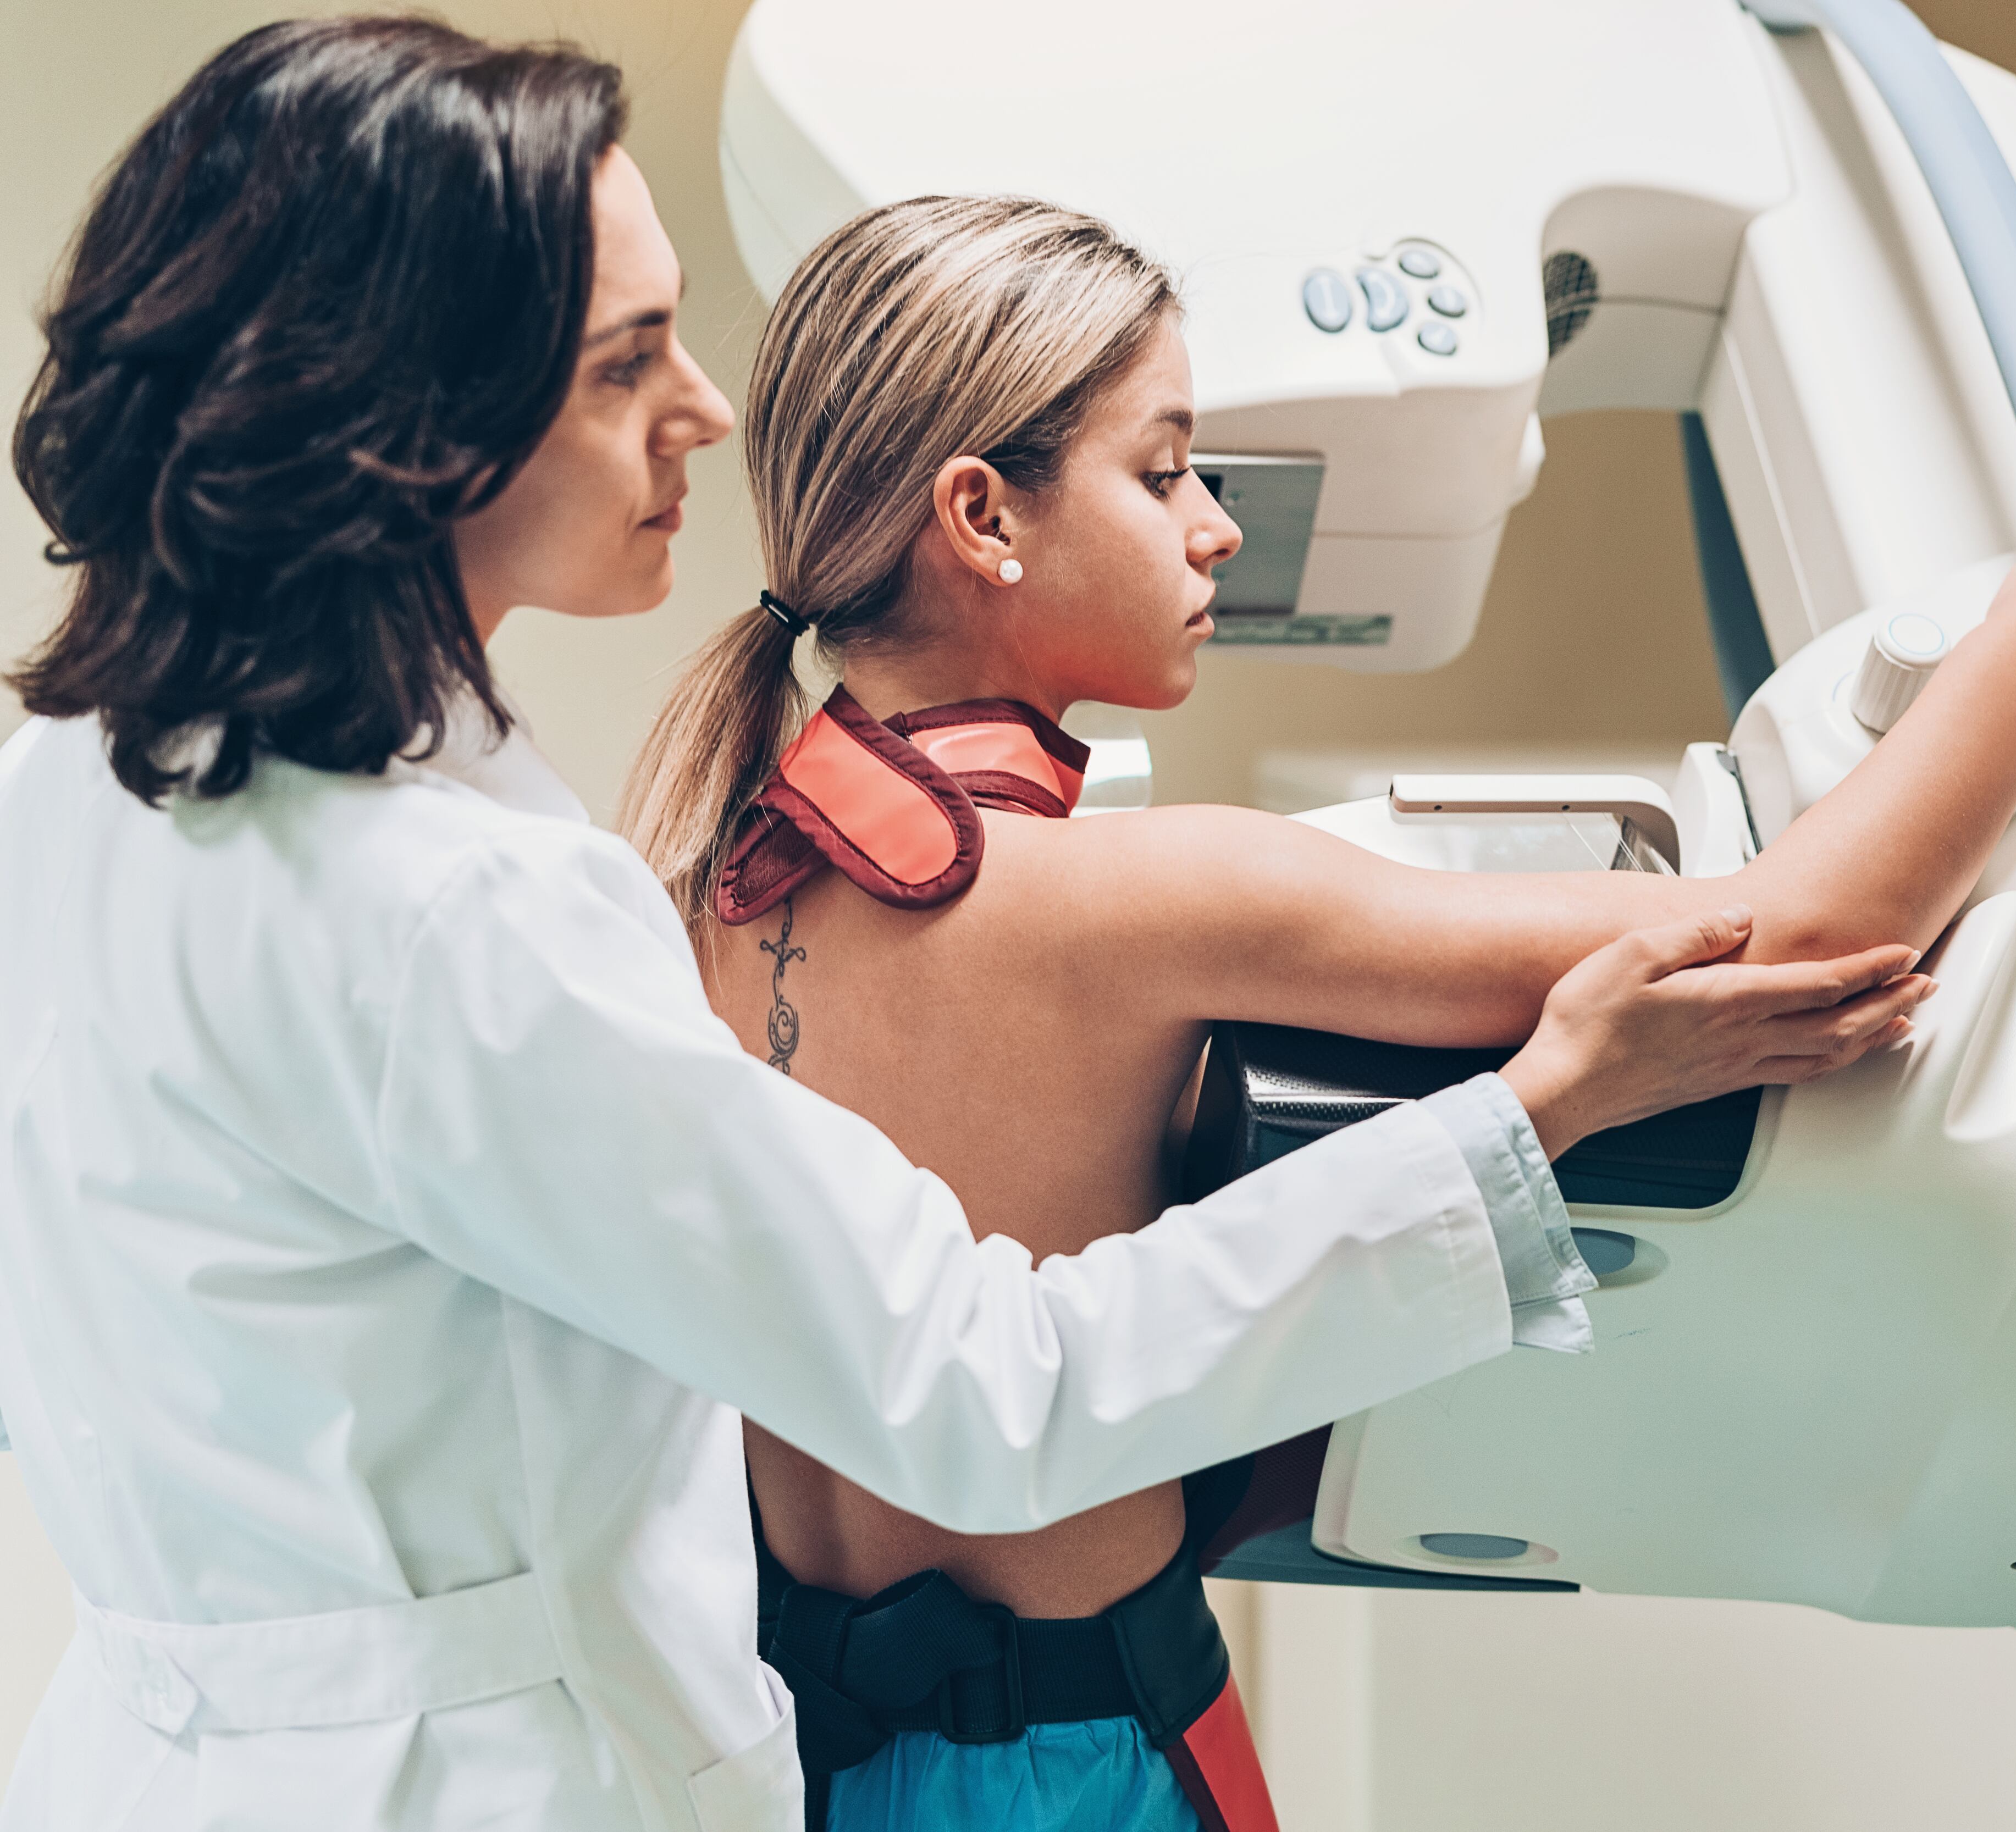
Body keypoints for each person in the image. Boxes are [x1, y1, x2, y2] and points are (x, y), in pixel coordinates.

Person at [0, 22, 1917, 1832]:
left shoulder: (62, 794)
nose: (707, 407)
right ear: (408, 424)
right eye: (625, 359)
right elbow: (997, 1392)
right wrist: (1534, 1117)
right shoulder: (461, 920)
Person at [619, 198, 2016, 1831]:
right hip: (1073, 1763)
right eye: (1163, 470)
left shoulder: (709, 885)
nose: (1215, 527)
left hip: (806, 1749)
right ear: (983, 514)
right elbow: (1812, 926)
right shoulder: (1120, 898)